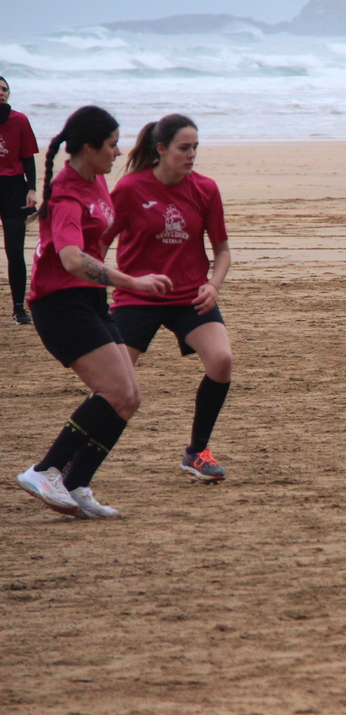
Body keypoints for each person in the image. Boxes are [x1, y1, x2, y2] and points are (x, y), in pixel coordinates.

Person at [16, 105, 173, 518]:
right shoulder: (67, 194)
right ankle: (45, 470)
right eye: (112, 145)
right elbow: (70, 259)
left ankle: (76, 484)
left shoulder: (97, 179)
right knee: (114, 392)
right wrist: (132, 282)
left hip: (90, 300)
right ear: (89, 147)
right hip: (59, 304)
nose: (117, 152)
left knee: (130, 398)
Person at [103, 114, 233, 483]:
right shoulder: (130, 188)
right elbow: (98, 246)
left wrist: (213, 285)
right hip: (137, 297)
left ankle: (197, 452)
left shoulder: (205, 188)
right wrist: (107, 287)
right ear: (161, 149)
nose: (192, 154)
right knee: (115, 385)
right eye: (184, 148)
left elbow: (222, 251)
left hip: (190, 296)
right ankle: (72, 458)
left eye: (195, 148)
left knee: (222, 360)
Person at [0, 76, 39, 325]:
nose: (1, 93)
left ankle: (18, 309)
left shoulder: (20, 120)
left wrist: (31, 189)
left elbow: (28, 158)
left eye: (4, 89)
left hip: (13, 188)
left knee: (15, 250)